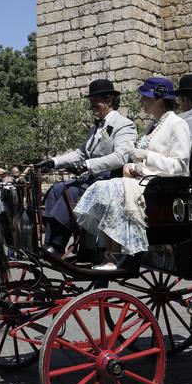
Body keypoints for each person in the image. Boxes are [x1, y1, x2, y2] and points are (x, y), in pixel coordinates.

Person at [74, 77, 192, 272]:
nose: (141, 102)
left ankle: (117, 254)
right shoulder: (153, 125)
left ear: (159, 100)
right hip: (147, 180)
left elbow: (179, 165)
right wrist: (136, 165)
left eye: (145, 98)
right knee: (105, 187)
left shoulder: (177, 124)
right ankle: (112, 253)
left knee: (113, 188)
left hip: (165, 186)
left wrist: (146, 156)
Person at [35, 79, 138, 256]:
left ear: (109, 101)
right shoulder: (95, 128)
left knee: (72, 193)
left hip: (110, 180)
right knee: (56, 189)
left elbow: (121, 157)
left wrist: (88, 165)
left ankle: (58, 245)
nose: (92, 107)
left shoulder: (125, 125)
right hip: (92, 179)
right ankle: (52, 244)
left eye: (95, 103)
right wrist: (54, 161)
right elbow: (80, 153)